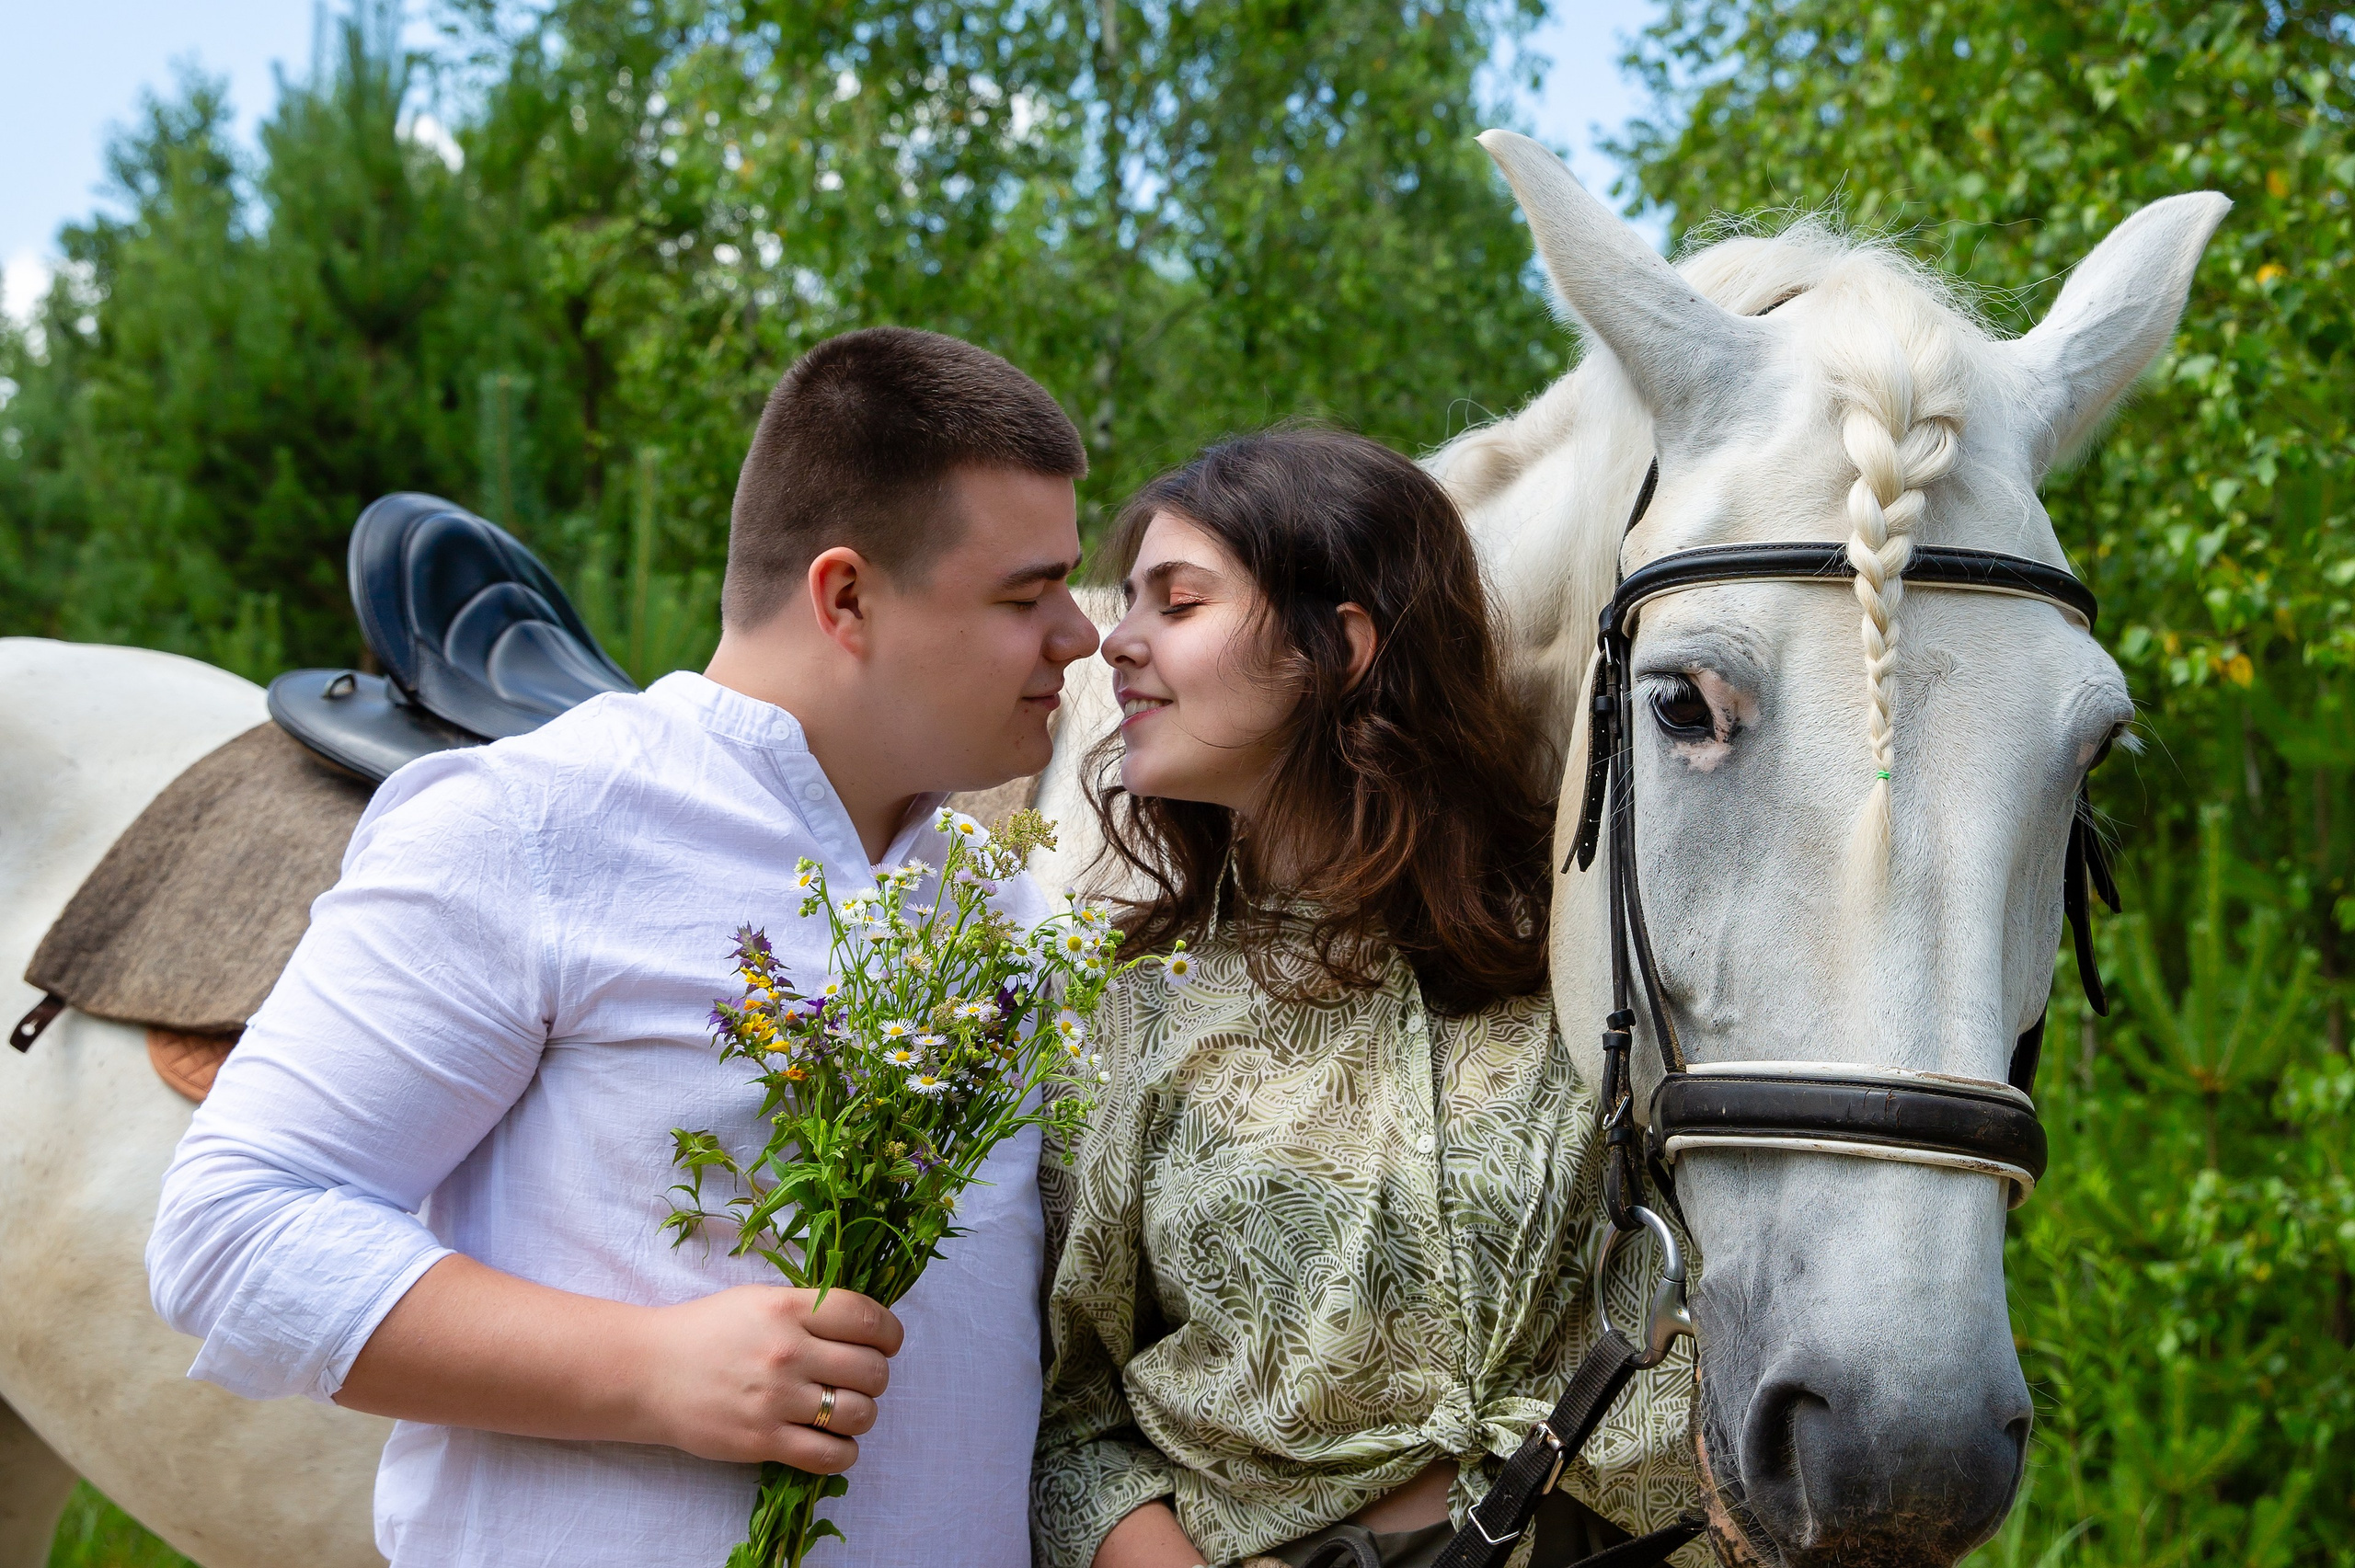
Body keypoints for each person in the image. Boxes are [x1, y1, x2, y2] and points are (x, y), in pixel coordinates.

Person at [147, 327, 1099, 1568]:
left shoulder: (1002, 916)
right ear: (846, 596)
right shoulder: (533, 827)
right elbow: (232, 1230)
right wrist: (650, 1370)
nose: (1078, 637)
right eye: (1027, 595)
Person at [1030, 429, 1695, 1568]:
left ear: (1336, 648)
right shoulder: (1126, 1012)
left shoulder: (1589, 959)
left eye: (1176, 604)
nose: (1113, 642)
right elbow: (1068, 1427)